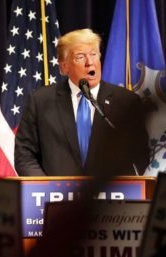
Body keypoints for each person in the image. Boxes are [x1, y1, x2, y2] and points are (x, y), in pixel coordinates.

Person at [15, 28, 149, 176]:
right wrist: (47, 188)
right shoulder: (41, 101)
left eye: (93, 54)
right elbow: (24, 155)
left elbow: (139, 154)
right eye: (80, 57)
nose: (89, 62)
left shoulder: (126, 102)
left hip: (109, 195)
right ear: (64, 66)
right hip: (55, 196)